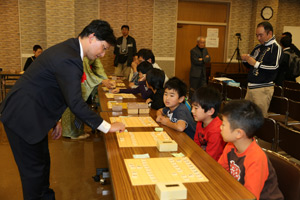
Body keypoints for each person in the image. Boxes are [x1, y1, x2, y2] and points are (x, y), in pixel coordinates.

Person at [0, 20, 125, 200]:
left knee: (42, 166)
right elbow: (75, 102)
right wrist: (107, 126)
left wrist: (55, 120)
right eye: (104, 48)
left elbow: (54, 89)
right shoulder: (70, 57)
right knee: (33, 175)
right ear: (92, 37)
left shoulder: (71, 50)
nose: (103, 54)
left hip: (36, 115)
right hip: (23, 117)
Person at [218, 100, 283, 200]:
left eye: (223, 124)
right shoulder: (230, 146)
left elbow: (250, 197)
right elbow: (220, 173)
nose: (220, 127)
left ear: (239, 133)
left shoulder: (256, 158)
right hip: (238, 192)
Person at [62, 57, 115, 139]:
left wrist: (106, 80)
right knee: (73, 104)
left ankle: (78, 131)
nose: (103, 54)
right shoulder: (84, 53)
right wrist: (102, 81)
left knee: (79, 104)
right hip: (74, 79)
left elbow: (99, 67)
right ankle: (72, 133)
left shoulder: (94, 52)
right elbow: (87, 72)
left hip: (79, 80)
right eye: (104, 48)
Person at [241, 22, 282, 117]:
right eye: (257, 35)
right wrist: (245, 59)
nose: (258, 38)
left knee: (260, 118)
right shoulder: (258, 47)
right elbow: (250, 65)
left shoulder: (276, 48)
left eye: (261, 35)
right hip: (250, 86)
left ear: (270, 33)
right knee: (246, 117)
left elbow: (274, 67)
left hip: (262, 88)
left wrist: (255, 63)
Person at [191, 86, 225, 161]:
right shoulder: (200, 121)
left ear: (210, 111)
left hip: (213, 165)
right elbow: (196, 145)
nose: (192, 111)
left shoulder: (216, 131)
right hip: (202, 158)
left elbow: (210, 158)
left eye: (196, 108)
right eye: (192, 107)